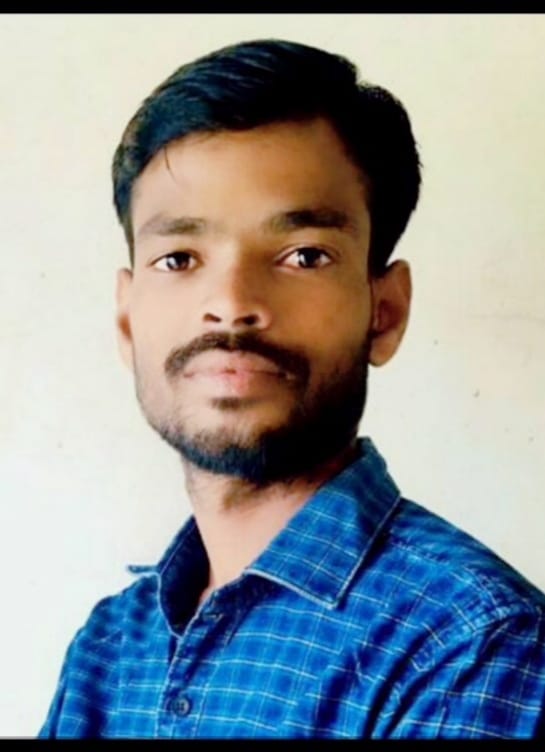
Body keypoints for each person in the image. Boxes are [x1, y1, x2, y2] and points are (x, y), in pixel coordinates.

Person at [39, 38, 545, 739]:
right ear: (128, 322)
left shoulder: (474, 648)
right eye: (178, 258)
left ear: (384, 312)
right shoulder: (108, 648)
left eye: (303, 255)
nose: (230, 305)